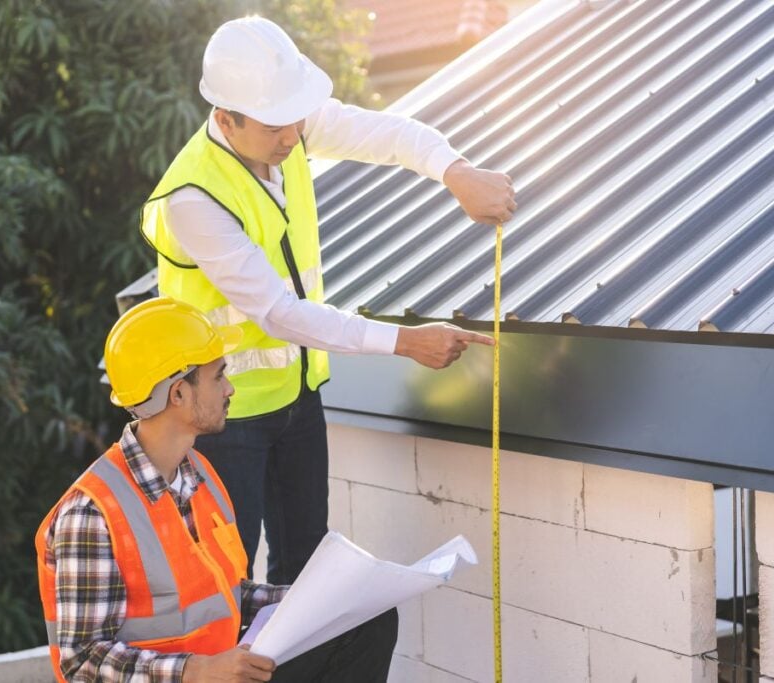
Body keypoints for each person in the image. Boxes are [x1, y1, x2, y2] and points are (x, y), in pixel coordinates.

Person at [139, 16, 517, 584]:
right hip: (224, 414)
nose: (292, 138)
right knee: (227, 581)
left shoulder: (284, 122)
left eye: (295, 120)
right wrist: (404, 341)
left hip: (298, 397)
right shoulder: (192, 199)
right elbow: (278, 311)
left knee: (305, 572)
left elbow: (390, 134)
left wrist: (456, 172)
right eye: (275, 128)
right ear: (226, 119)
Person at [35, 297, 397, 682]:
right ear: (178, 393)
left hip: (218, 672)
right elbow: (82, 661)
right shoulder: (93, 513)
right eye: (219, 375)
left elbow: (225, 598)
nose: (230, 389)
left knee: (365, 619)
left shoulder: (199, 476)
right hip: (195, 677)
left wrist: (312, 600)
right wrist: (198, 671)